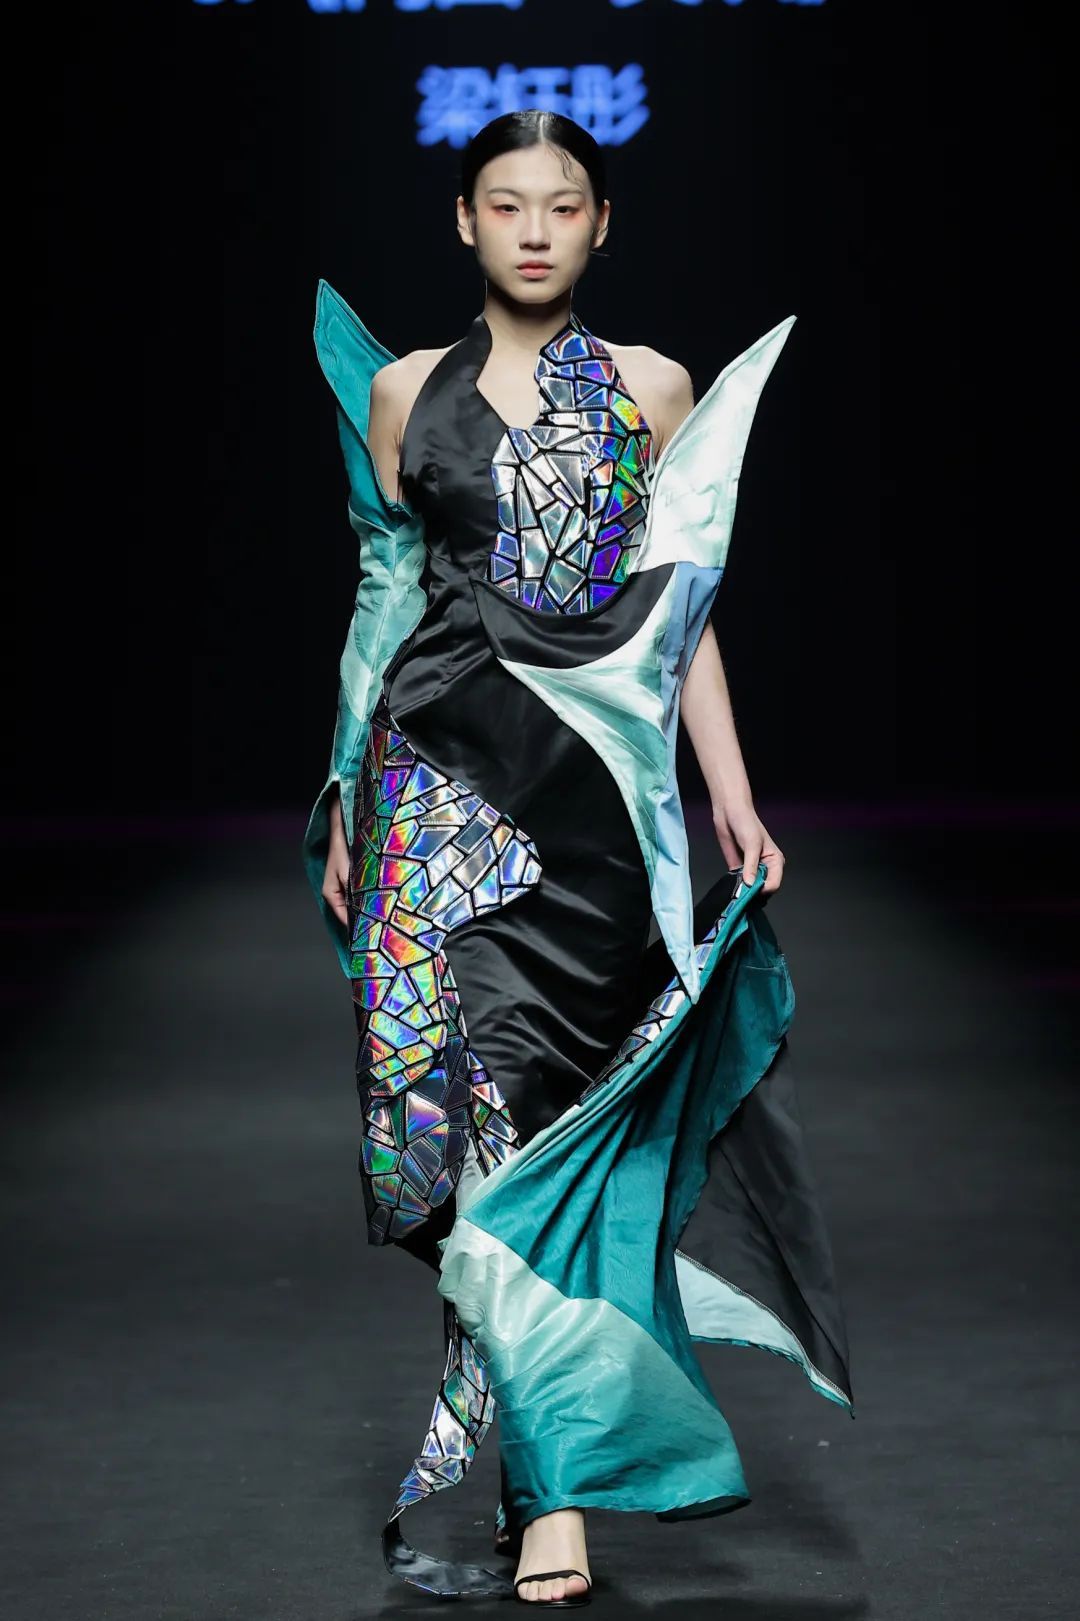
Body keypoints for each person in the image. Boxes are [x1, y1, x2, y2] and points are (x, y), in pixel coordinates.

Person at [303, 109, 852, 1610]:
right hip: (431, 784)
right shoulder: (404, 392)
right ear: (463, 222)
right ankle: (545, 1473)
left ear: (602, 224)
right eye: (505, 204)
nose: (534, 229)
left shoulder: (655, 386)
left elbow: (680, 617)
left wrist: (732, 791)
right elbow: (386, 591)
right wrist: (344, 787)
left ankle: (548, 1486)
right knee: (447, 1133)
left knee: (543, 1132)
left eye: (562, 205)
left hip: (592, 810)